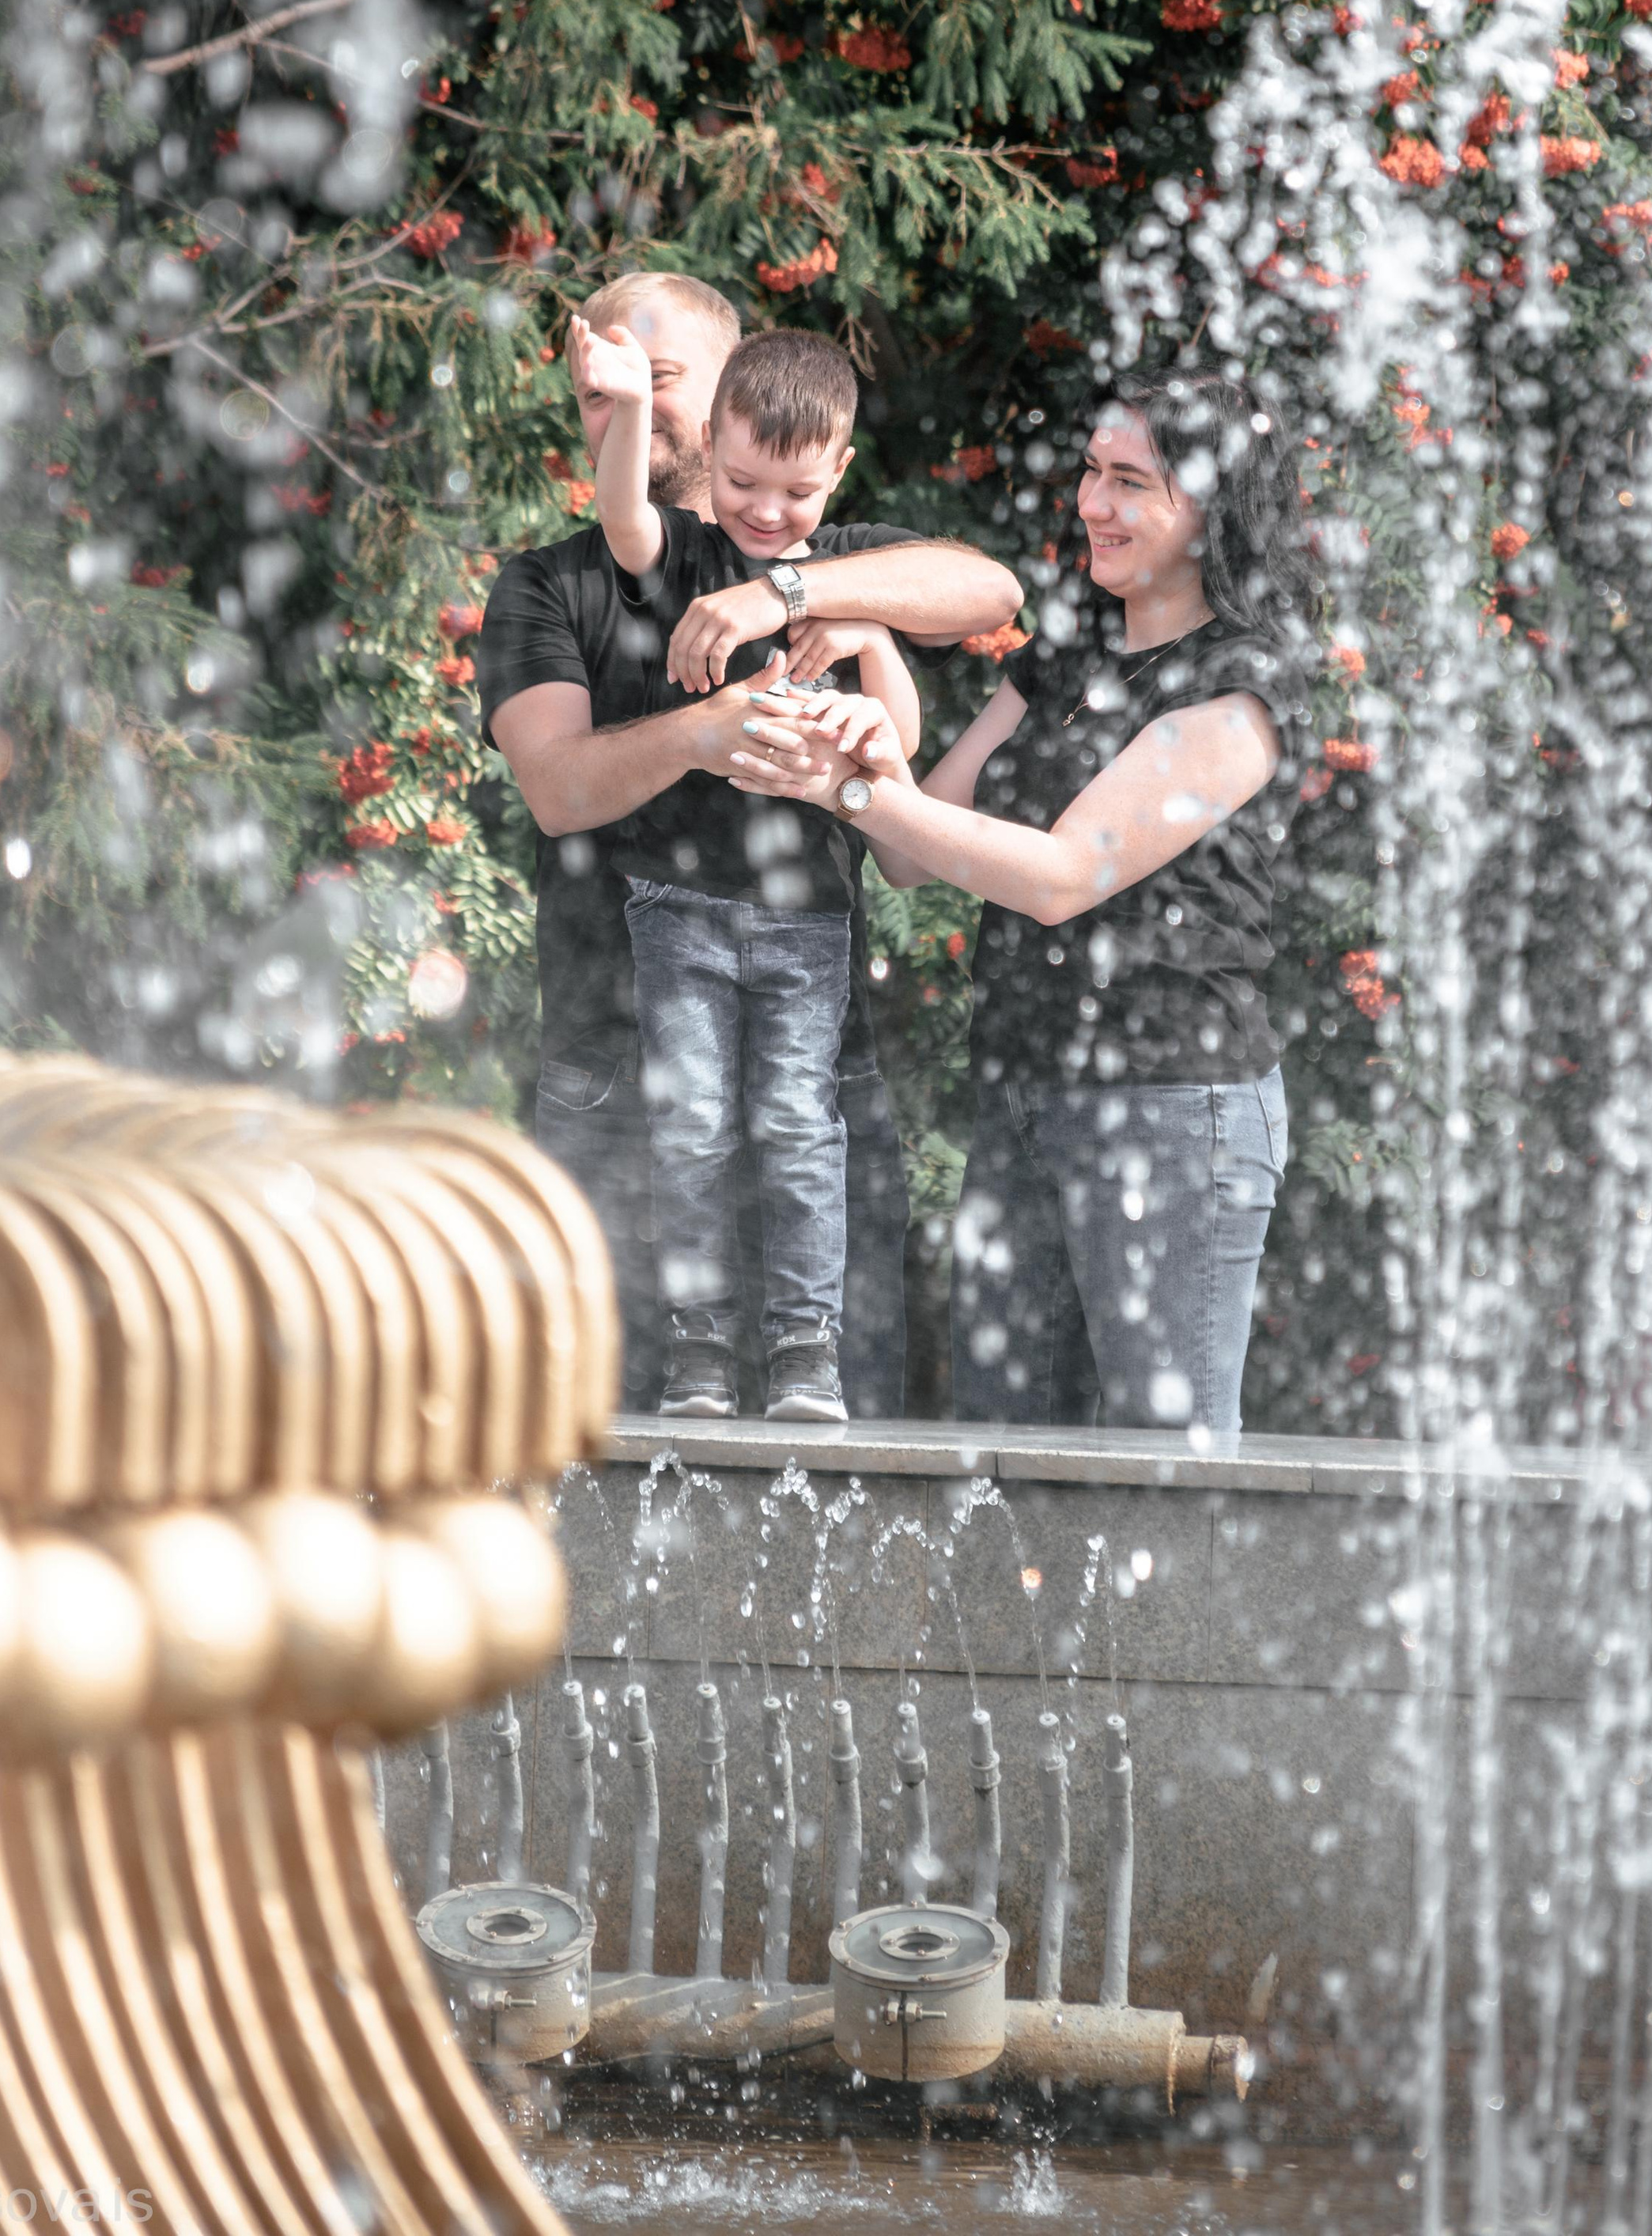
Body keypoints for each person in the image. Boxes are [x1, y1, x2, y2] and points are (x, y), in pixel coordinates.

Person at [725, 369, 1315, 1440]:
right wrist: (861, 703)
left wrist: (852, 793)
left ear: (1213, 510)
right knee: (1004, 1478)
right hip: (1022, 1098)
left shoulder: (1243, 686)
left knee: (1161, 1479)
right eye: (1092, 472)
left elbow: (1056, 877)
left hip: (1176, 1111)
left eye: (1131, 482)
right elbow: (915, 846)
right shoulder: (1067, 653)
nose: (1093, 502)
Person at [475, 270, 1024, 1414]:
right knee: (608, 1440)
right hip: (613, 1073)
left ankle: (799, 1354)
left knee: (836, 1453)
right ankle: (701, 1354)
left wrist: (806, 603)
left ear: (733, 392)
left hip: (809, 1055)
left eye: (659, 379)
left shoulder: (816, 553)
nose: (629, 404)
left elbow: (986, 587)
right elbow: (561, 790)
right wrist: (705, 729)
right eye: (600, 391)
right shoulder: (560, 581)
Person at [567, 315, 926, 1421]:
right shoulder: (689, 555)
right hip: (678, 907)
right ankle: (702, 1348)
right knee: (693, 1128)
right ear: (712, 446)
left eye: (797, 494)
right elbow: (624, 516)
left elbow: (901, 750)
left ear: (839, 475)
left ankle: (803, 1347)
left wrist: (865, 636)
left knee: (795, 1126)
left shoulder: (844, 574)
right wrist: (629, 408)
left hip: (808, 918)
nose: (768, 515)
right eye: (740, 484)